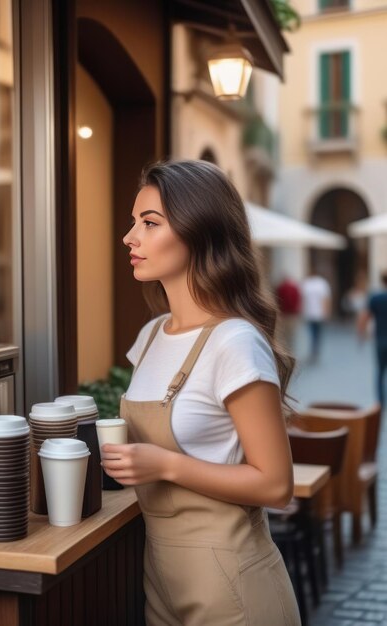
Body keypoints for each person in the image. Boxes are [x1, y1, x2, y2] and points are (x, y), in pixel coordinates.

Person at [101, 160, 300, 625]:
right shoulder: (150, 337)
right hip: (161, 582)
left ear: (200, 232)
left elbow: (275, 484)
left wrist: (165, 464)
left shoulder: (234, 342)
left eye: (149, 224)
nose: (130, 237)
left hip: (233, 588)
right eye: (134, 223)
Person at [357, 270, 387, 406]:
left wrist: (361, 335)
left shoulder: (376, 298)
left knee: (380, 371)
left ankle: (380, 401)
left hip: (381, 339)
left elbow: (364, 317)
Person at [300, 270, 332, 362]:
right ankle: (315, 351)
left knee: (314, 333)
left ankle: (314, 352)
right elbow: (326, 299)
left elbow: (326, 299)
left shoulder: (311, 284)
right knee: (315, 333)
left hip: (314, 313)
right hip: (314, 313)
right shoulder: (319, 283)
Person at [276, 275, 301, 352]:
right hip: (292, 314)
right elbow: (298, 299)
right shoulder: (294, 288)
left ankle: (284, 348)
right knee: (291, 333)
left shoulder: (280, 287)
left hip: (284, 313)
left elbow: (277, 299)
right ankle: (290, 348)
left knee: (283, 333)